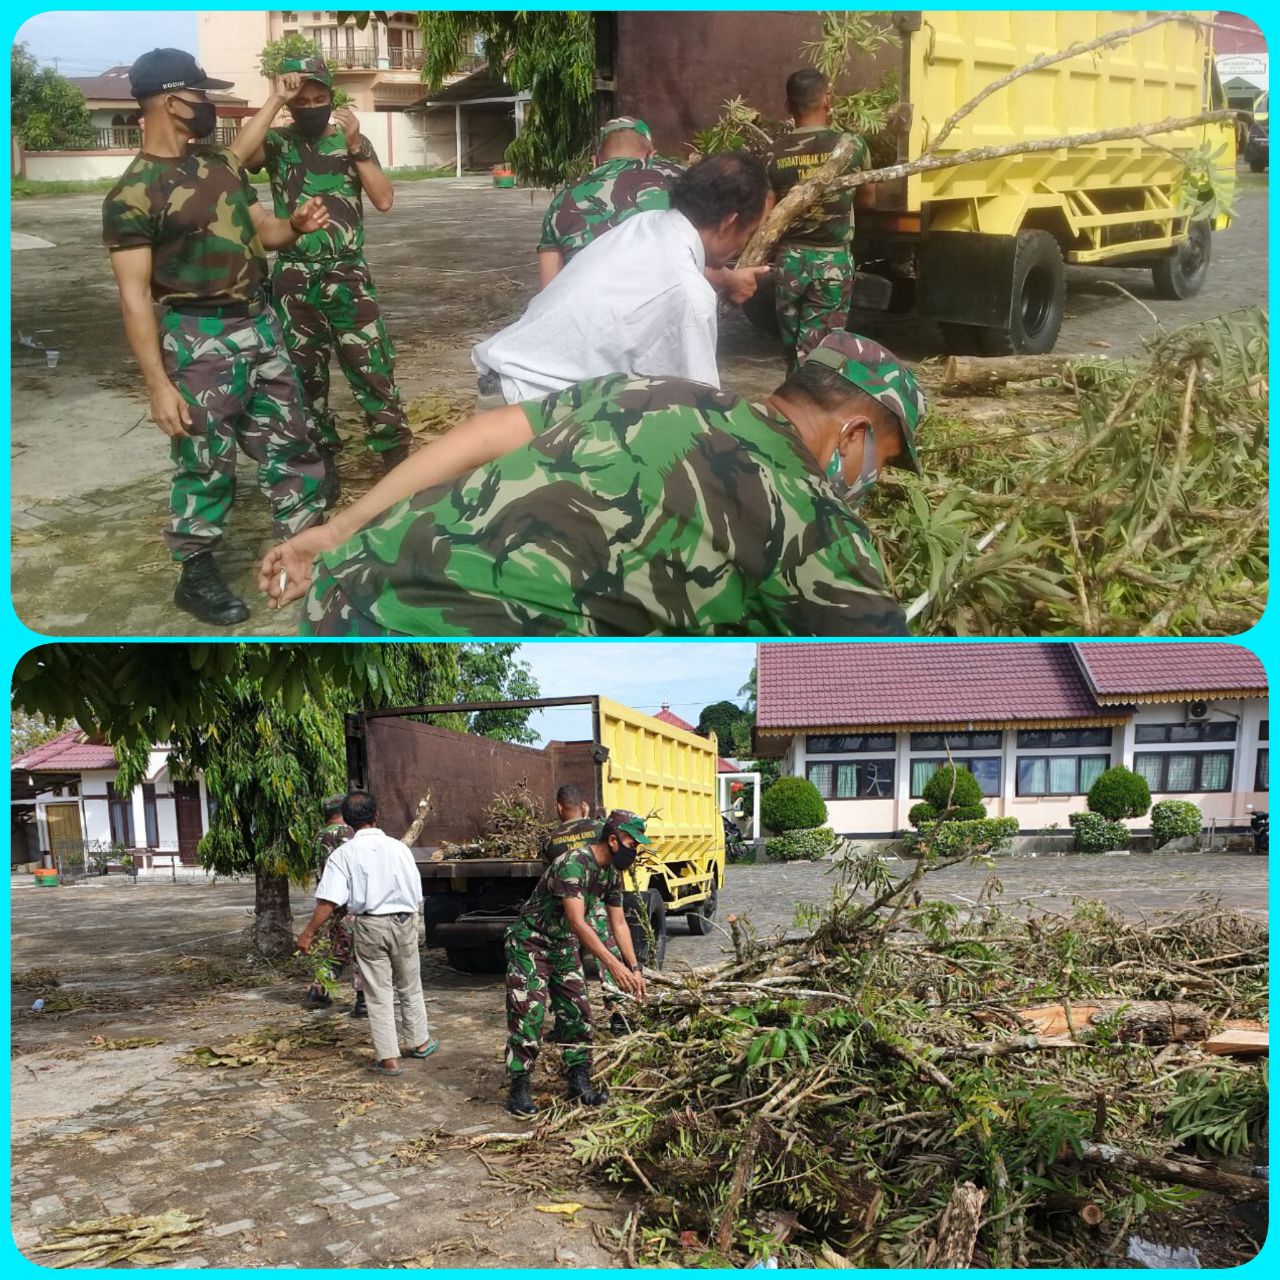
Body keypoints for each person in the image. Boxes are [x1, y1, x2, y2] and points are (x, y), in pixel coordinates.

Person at [257, 331, 926, 638]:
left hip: (350, 590)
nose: (871, 480)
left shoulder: (653, 387)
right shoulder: (819, 530)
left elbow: (481, 436)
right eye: (883, 463)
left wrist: (337, 530)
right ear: (854, 436)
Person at [102, 48, 330, 626]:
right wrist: (157, 386)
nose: (209, 104)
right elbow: (133, 297)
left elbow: (265, 233)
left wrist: (295, 227)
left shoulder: (222, 167)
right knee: (205, 461)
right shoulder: (132, 195)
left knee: (292, 446)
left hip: (262, 324)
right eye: (201, 94)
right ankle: (195, 571)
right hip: (198, 338)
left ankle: (307, 553)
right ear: (174, 102)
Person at [231, 56, 411, 497]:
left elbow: (384, 199)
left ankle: (396, 459)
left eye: (320, 98)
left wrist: (356, 144)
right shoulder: (277, 142)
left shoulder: (350, 141)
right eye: (303, 100)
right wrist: (275, 100)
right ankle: (323, 458)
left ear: (332, 98)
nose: (311, 106)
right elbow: (235, 156)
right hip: (294, 277)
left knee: (373, 368)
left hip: (348, 273)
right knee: (304, 377)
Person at [471, 151, 770, 408]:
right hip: (531, 402)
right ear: (729, 222)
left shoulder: (644, 224)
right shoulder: (689, 296)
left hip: (505, 375)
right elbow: (698, 407)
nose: (744, 244)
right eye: (749, 232)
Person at [503, 809, 650, 1118]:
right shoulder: (574, 864)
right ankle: (519, 1085)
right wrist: (613, 965)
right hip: (532, 941)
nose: (634, 850)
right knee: (529, 1013)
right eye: (631, 842)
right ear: (612, 840)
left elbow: (619, 923)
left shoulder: (611, 873)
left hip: (563, 943)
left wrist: (634, 967)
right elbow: (579, 922)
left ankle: (579, 1079)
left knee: (577, 1014)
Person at [296, 790, 435, 1075]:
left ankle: (388, 1059)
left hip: (370, 925)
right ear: (376, 815)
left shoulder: (343, 855)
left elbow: (329, 899)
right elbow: (416, 892)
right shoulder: (399, 849)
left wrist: (308, 933)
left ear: (348, 821)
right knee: (410, 985)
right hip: (404, 921)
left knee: (377, 992)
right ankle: (420, 1043)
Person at [767, 68, 871, 371]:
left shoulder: (773, 153)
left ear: (788, 106)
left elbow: (768, 212)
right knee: (821, 349)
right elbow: (868, 199)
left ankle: (793, 404)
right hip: (832, 263)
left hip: (789, 262)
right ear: (828, 100)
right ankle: (811, 408)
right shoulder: (851, 146)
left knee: (791, 348)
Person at [537, 117, 686, 287]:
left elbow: (548, 288)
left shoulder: (564, 198)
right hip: (669, 301)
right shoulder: (683, 180)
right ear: (651, 155)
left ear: (597, 160)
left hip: (588, 306)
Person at [541, 786, 628, 1036]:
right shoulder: (600, 829)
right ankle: (618, 1015)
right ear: (583, 805)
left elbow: (550, 877)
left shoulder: (550, 841)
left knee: (566, 967)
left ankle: (567, 1020)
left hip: (566, 913)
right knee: (608, 958)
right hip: (595, 907)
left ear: (559, 808)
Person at [303, 794, 366, 1017]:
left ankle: (319, 989)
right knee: (359, 950)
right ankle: (362, 1000)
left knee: (339, 948)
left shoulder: (319, 836)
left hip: (329, 902)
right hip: (348, 903)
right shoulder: (346, 834)